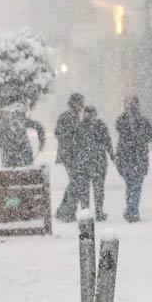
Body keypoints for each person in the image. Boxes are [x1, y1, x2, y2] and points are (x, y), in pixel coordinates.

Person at [115, 96, 152, 222]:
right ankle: (132, 211)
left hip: (137, 158)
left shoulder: (142, 121)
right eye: (129, 104)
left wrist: (140, 137)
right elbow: (123, 139)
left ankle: (132, 210)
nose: (131, 106)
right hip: (130, 158)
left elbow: (150, 136)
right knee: (132, 186)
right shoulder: (122, 121)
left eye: (133, 104)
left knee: (134, 186)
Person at [77, 106, 114, 221]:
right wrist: (111, 154)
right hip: (97, 161)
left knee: (86, 190)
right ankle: (97, 212)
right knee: (97, 189)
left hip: (86, 162)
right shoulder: (99, 125)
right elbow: (107, 141)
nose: (88, 115)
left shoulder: (80, 126)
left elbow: (74, 145)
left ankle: (87, 212)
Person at [54, 93, 86, 221]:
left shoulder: (74, 116)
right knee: (76, 183)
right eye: (80, 103)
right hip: (70, 155)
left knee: (75, 183)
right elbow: (58, 133)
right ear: (74, 103)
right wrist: (72, 136)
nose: (82, 105)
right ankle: (66, 212)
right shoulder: (68, 116)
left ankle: (65, 211)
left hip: (71, 154)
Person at [0, 103, 46, 167]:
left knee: (11, 171)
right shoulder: (21, 121)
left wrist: (2, 144)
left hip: (11, 151)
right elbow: (38, 127)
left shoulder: (3, 123)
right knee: (26, 170)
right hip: (20, 150)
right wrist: (42, 141)